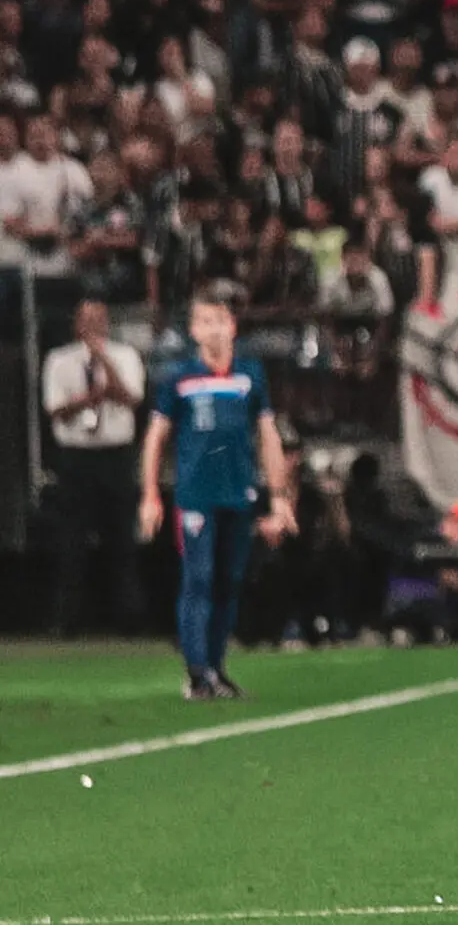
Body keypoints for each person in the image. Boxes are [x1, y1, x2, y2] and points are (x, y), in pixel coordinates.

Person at [138, 282, 297, 699]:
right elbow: (156, 436)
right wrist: (151, 493)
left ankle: (216, 665)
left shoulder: (249, 376)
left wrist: (278, 496)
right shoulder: (180, 379)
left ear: (234, 326)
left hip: (238, 492)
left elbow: (267, 434)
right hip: (195, 495)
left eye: (220, 321)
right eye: (205, 321)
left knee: (229, 580)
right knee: (199, 578)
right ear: (192, 330)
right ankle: (195, 671)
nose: (213, 329)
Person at [42, 297, 146, 634]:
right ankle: (68, 621)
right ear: (76, 324)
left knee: (121, 540)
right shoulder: (59, 359)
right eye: (86, 319)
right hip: (77, 456)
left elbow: (131, 398)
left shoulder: (125, 356)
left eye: (99, 319)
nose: (92, 326)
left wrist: (103, 360)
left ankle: (128, 621)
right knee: (72, 540)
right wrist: (87, 399)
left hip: (115, 454)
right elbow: (55, 408)